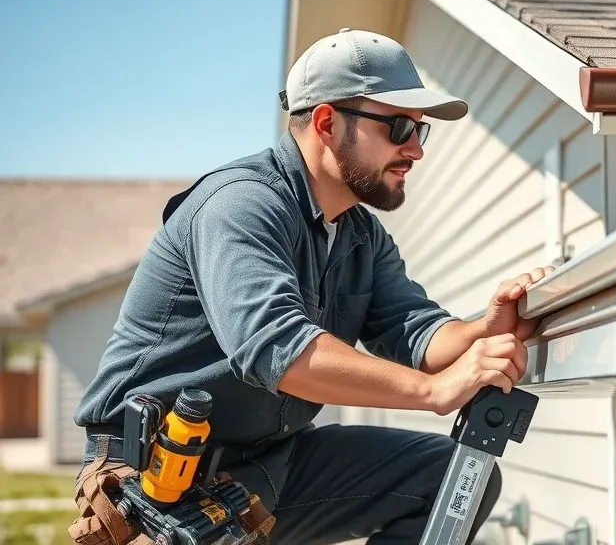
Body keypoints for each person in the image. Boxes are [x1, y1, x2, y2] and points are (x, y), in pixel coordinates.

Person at [69, 27, 555, 545]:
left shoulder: (360, 234)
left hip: (270, 463)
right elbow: (277, 350)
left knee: (455, 477)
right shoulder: (239, 205)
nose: (415, 150)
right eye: (398, 127)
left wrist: (484, 329)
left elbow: (416, 335)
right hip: (157, 478)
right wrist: (434, 392)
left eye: (420, 131)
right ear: (326, 122)